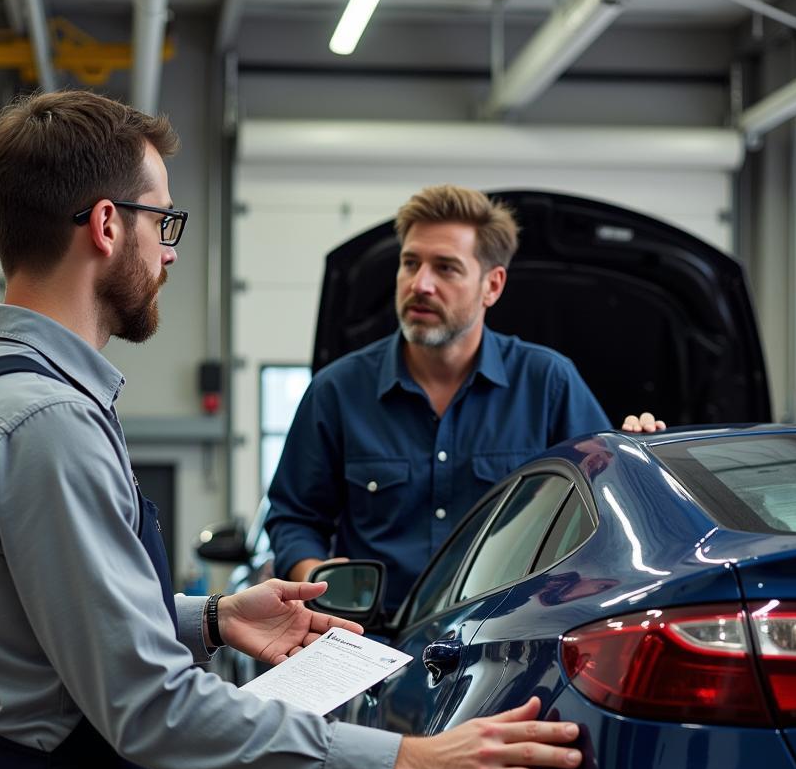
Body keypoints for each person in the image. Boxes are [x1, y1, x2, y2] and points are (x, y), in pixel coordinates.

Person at [0, 92, 583, 769]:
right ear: (107, 225)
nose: (171, 248)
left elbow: (40, 627)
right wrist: (408, 767)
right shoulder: (52, 427)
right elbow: (149, 708)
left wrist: (216, 618)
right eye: (163, 220)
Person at [266, 184, 665, 613]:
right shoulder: (337, 391)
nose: (420, 284)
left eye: (446, 268)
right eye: (410, 263)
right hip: (369, 641)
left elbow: (603, 512)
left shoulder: (548, 383)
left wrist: (635, 458)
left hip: (505, 642)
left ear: (491, 286)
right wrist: (318, 577)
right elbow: (294, 517)